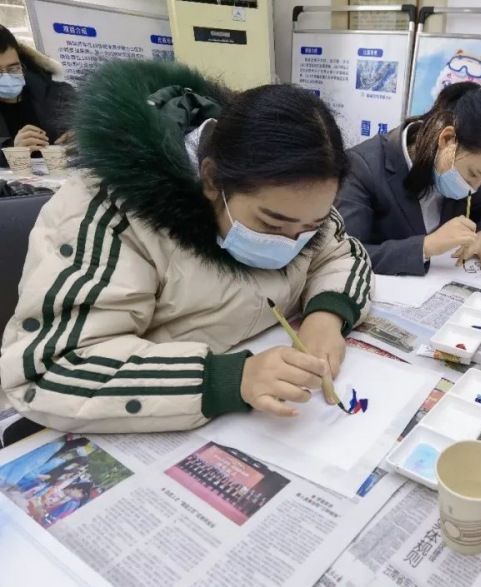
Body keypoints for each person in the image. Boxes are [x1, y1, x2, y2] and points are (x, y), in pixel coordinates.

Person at [0, 59, 372, 433]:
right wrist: (227, 379)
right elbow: (48, 369)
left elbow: (341, 254)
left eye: (311, 226)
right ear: (212, 179)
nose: (290, 242)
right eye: (271, 224)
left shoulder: (298, 203)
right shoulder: (112, 211)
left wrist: (326, 317)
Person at [336, 82, 481, 276]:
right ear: (447, 139)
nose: (474, 188)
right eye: (474, 174)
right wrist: (426, 247)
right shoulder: (362, 167)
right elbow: (344, 256)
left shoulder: (464, 167)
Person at [0, 25, 74, 163]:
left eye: (13, 68)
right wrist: (11, 150)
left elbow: (100, 132)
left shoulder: (58, 94)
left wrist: (85, 137)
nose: (6, 77)